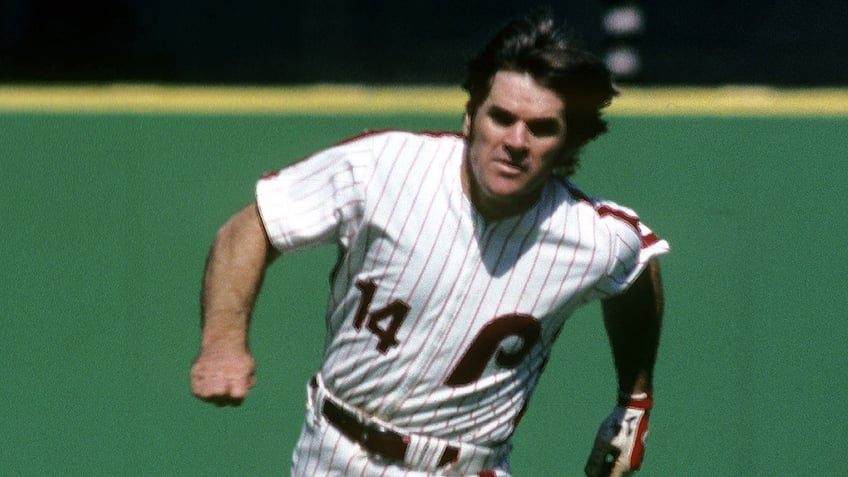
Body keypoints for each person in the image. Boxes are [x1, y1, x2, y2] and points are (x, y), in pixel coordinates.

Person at [191, 11, 668, 477]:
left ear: (569, 144)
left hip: (468, 465)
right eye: (500, 117)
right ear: (469, 118)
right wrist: (223, 342)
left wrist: (633, 404)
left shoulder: (592, 235)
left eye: (542, 128)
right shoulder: (385, 167)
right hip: (335, 451)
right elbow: (253, 226)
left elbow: (637, 268)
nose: (516, 141)